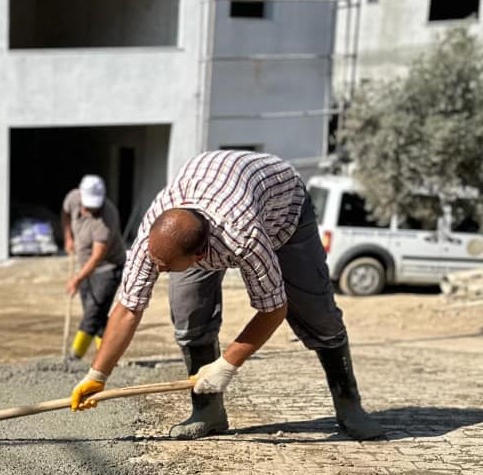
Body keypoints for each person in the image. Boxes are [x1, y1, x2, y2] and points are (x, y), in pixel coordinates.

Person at [68, 150, 384, 441]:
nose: (157, 270)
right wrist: (97, 374)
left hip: (283, 210)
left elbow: (274, 308)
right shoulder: (158, 230)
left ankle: (349, 405)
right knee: (188, 313)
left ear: (198, 256)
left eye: (165, 267)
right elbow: (127, 308)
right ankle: (208, 412)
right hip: (214, 195)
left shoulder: (243, 235)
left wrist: (227, 365)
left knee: (317, 312)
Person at [60, 175, 127, 359]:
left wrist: (77, 279)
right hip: (84, 266)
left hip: (108, 268)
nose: (92, 209)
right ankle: (105, 357)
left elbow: (97, 257)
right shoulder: (73, 198)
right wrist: (68, 237)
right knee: (97, 315)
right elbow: (65, 215)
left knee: (92, 313)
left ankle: (73, 357)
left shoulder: (107, 218)